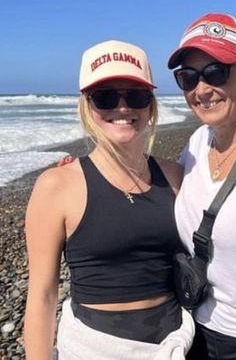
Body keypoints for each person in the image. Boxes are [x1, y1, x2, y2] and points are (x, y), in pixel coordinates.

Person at [24, 39, 195, 360]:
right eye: (105, 97)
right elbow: (42, 297)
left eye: (136, 95)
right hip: (92, 347)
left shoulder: (176, 175)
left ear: (151, 105)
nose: (122, 107)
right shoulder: (56, 186)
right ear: (87, 106)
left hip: (174, 344)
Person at [168, 13, 236, 360]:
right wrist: (83, 175)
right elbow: (154, 180)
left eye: (215, 72)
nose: (201, 89)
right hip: (193, 327)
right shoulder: (197, 142)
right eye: (188, 77)